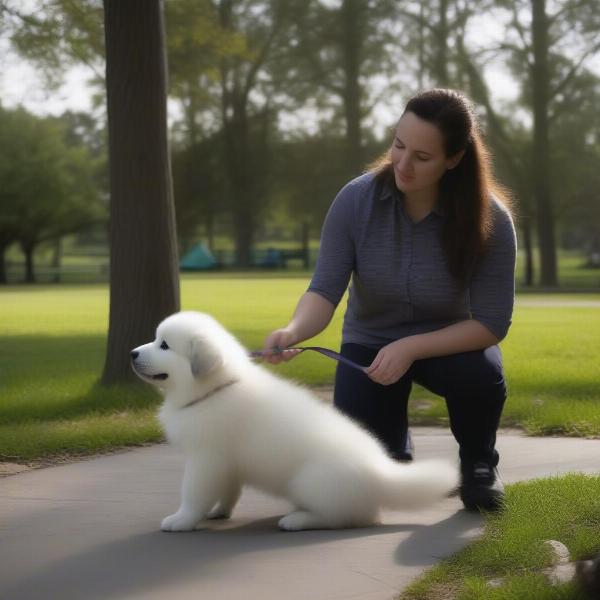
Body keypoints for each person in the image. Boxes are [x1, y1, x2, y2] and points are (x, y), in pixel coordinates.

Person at [262, 88, 517, 512]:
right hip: (368, 347)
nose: (402, 164)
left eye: (422, 157)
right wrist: (293, 330)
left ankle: (478, 466)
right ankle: (394, 445)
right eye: (399, 145)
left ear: (453, 159)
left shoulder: (491, 219)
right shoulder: (354, 201)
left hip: (448, 344)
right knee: (373, 480)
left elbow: (492, 323)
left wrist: (411, 346)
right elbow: (325, 290)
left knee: (481, 375)